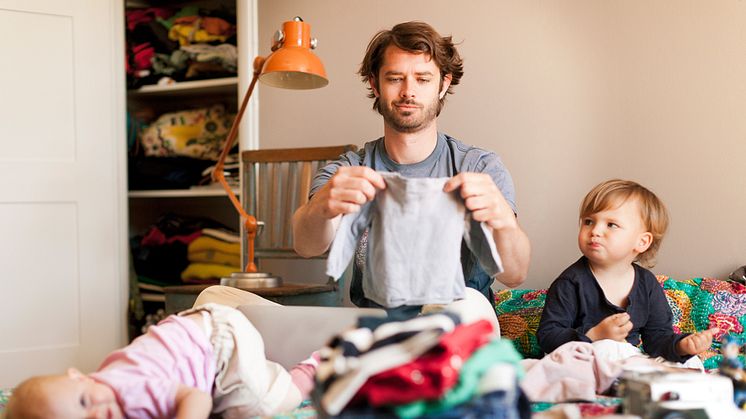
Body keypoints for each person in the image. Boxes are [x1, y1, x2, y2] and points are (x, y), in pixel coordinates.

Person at [291, 21, 530, 318]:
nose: (408, 91)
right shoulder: (350, 170)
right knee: (221, 298)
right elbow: (306, 245)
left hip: (463, 324)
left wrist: (504, 221)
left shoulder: (479, 167)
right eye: (395, 78)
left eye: (423, 79)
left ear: (443, 84)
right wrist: (320, 208)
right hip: (380, 325)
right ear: (375, 85)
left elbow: (515, 274)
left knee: (464, 302)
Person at [5, 302, 318, 419]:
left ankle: (318, 366)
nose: (98, 415)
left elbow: (193, 397)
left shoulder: (126, 389)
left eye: (87, 401)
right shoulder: (105, 389)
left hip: (219, 343)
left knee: (259, 406)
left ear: (80, 376)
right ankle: (260, 369)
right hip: (198, 325)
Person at [536, 179, 717, 364]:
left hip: (626, 360)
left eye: (611, 224)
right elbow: (548, 336)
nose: (595, 230)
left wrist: (682, 346)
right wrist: (594, 335)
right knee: (608, 348)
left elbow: (657, 340)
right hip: (582, 357)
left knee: (691, 362)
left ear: (642, 242)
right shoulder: (570, 282)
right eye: (588, 221)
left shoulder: (647, 284)